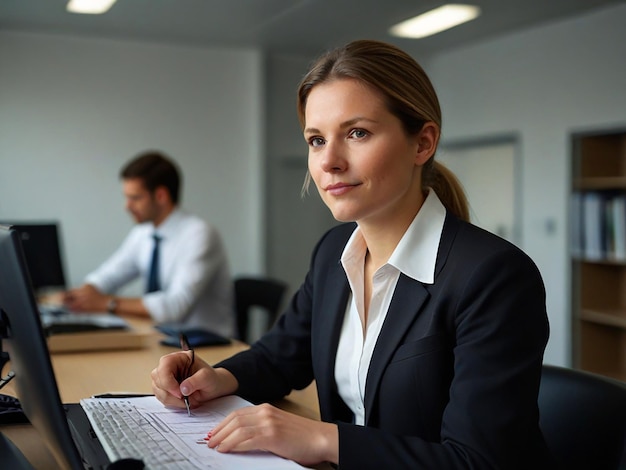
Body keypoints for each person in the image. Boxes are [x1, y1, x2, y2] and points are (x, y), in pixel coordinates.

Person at [151, 40, 553, 469]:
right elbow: (282, 354)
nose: (329, 162)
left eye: (357, 133)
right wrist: (216, 379)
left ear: (423, 143)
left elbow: (477, 462)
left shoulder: (494, 276)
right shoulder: (332, 254)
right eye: (317, 140)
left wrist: (325, 440)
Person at [64, 151, 235, 338]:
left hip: (206, 346)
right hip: (161, 338)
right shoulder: (143, 233)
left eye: (135, 198)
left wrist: (107, 303)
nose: (127, 206)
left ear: (161, 196)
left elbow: (175, 307)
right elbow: (111, 273)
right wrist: (85, 293)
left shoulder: (200, 234)